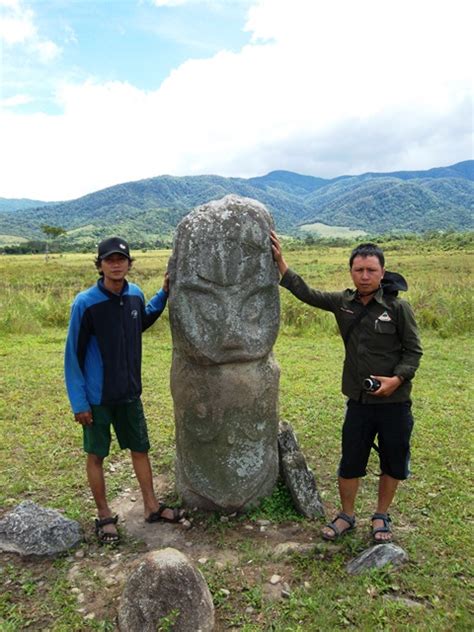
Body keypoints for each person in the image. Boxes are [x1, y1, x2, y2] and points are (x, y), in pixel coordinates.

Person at [270, 232, 422, 543]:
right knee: (351, 460)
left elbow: (413, 351)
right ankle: (346, 515)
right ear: (351, 271)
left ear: (382, 272)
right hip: (359, 401)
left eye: (371, 270)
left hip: (395, 402)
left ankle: (381, 516)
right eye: (359, 270)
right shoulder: (344, 303)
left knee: (393, 460)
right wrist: (281, 264)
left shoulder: (398, 308)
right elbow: (308, 293)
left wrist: (397, 379)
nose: (365, 276)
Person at [65, 237, 183, 544]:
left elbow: (140, 320)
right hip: (98, 397)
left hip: (130, 392)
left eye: (121, 259)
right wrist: (79, 402)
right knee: (96, 454)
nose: (116, 264)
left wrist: (164, 293)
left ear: (129, 263)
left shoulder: (134, 295)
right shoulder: (85, 303)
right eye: (109, 259)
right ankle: (104, 516)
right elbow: (72, 356)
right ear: (100, 264)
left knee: (140, 448)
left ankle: (152, 507)